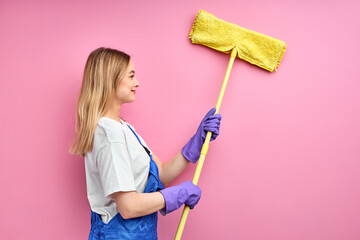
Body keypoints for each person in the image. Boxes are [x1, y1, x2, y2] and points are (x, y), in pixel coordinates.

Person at [69, 47, 222, 239]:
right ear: (111, 78)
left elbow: (162, 174)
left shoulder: (125, 128)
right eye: (131, 76)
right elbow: (128, 207)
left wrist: (196, 142)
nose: (137, 83)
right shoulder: (110, 134)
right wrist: (178, 194)